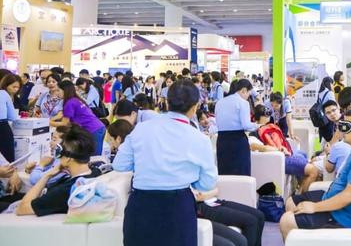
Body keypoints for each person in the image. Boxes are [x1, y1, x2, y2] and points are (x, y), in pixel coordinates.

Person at [113, 79, 217, 246]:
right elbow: (207, 184)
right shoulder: (200, 139)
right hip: (178, 207)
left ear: (167, 102)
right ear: (195, 107)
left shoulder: (141, 128)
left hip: (141, 205)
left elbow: (119, 164)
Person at [279, 108, 351, 240]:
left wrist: (314, 207)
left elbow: (350, 196)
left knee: (286, 221)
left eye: (346, 126)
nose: (341, 130)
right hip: (332, 200)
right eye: (341, 126)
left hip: (343, 215)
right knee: (291, 202)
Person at [15, 125, 100, 216]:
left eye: (59, 151)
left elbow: (21, 209)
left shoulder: (63, 191)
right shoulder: (95, 172)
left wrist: (47, 176)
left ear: (68, 158)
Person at [252, 105, 318, 191]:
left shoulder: (270, 126)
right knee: (313, 171)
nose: (268, 115)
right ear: (259, 116)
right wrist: (280, 150)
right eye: (265, 114)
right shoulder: (255, 132)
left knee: (303, 154)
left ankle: (300, 185)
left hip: (286, 154)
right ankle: (302, 196)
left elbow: (281, 139)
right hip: (281, 158)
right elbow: (260, 147)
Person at [51, 80, 106, 156]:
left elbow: (65, 123)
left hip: (93, 130)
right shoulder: (75, 100)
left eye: (58, 90)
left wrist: (49, 123)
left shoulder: (69, 103)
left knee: (94, 157)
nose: (57, 93)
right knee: (93, 155)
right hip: (98, 128)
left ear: (65, 91)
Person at [215, 79, 257, 176]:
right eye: (249, 94)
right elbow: (246, 125)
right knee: (241, 174)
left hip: (222, 141)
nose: (248, 97)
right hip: (238, 141)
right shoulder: (243, 103)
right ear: (244, 90)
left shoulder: (219, 102)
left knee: (224, 172)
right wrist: (257, 125)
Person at [0, 74, 20, 162]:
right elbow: (13, 117)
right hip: (2, 127)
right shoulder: (4, 94)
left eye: (17, 87)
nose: (16, 89)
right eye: (13, 87)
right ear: (6, 85)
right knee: (7, 157)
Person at [317, 77, 336, 142]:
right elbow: (334, 105)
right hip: (329, 116)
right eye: (332, 84)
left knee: (324, 132)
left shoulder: (320, 92)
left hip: (322, 117)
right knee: (329, 134)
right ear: (330, 83)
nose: (333, 86)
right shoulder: (330, 93)